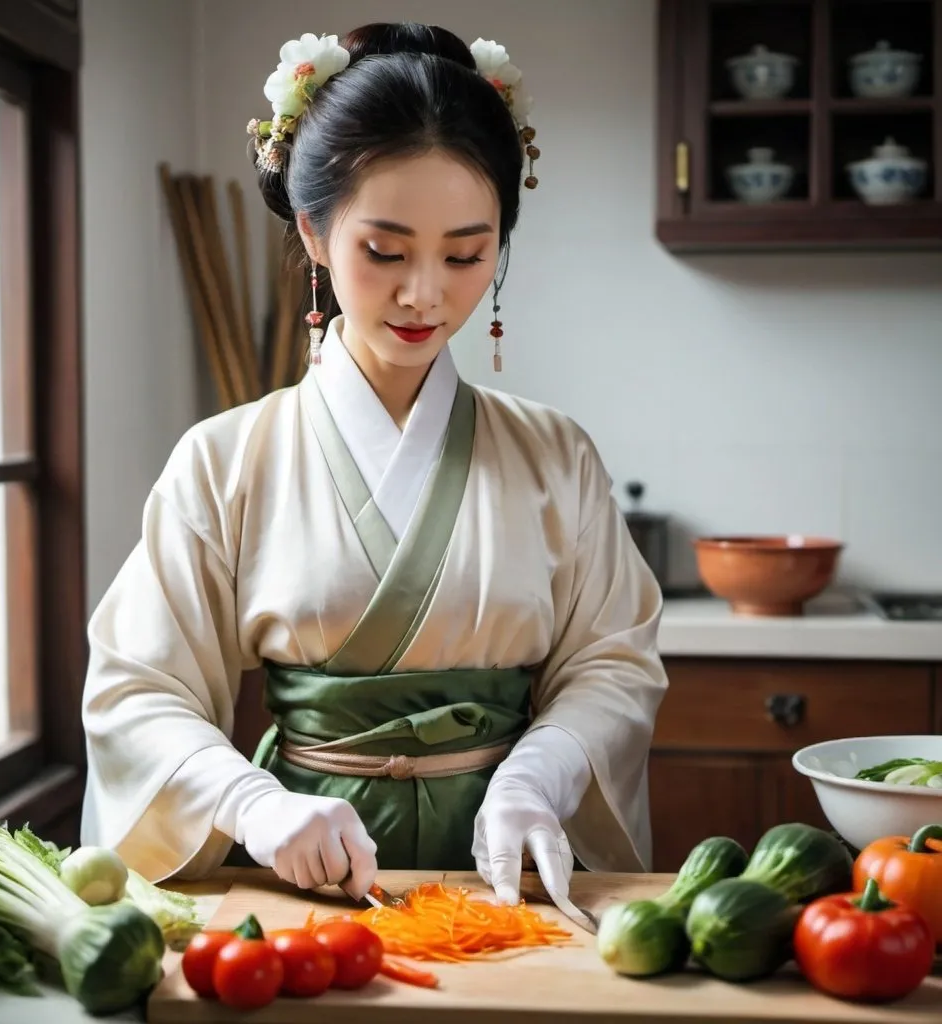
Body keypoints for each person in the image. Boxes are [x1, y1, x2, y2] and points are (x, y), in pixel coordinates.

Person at [80, 22, 668, 911]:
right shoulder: (225, 459)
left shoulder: (556, 455)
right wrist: (253, 805)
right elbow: (137, 687)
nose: (425, 292)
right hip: (303, 878)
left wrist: (538, 776)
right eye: (385, 251)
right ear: (314, 232)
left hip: (512, 878)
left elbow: (613, 662)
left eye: (467, 254)